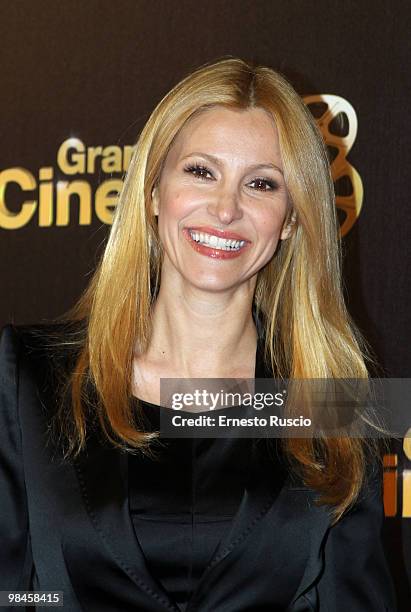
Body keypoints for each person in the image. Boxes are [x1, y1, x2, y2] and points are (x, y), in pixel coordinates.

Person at [0, 57, 397, 611]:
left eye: (261, 184)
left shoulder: (333, 403)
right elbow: (12, 592)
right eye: (201, 172)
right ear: (155, 191)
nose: (226, 209)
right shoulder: (29, 377)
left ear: (288, 220)